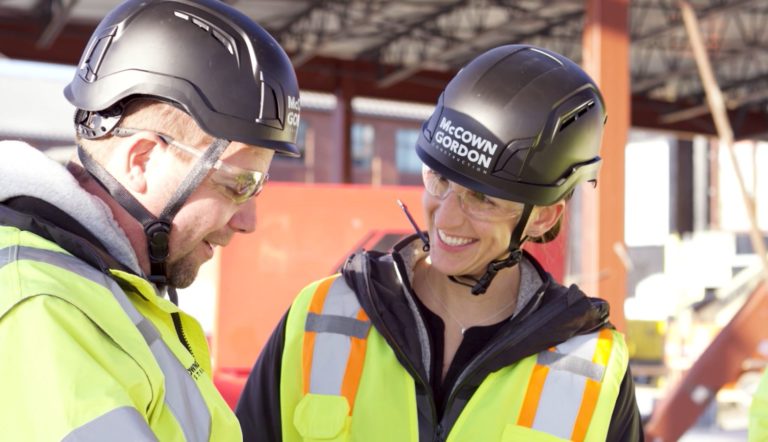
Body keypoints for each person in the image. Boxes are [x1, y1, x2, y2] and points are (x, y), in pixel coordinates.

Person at [236, 44, 643, 441]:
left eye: (482, 198)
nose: (445, 217)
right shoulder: (320, 315)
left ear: (542, 216)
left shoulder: (593, 367)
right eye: (441, 180)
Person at [0, 0, 300, 440]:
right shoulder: (43, 310)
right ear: (142, 160)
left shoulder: (115, 292)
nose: (248, 221)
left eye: (258, 186)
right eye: (239, 184)